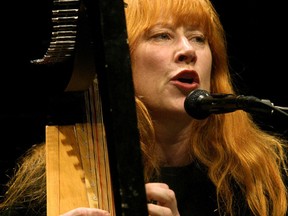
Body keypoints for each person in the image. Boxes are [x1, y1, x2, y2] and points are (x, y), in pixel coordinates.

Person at [1, 0, 288, 215]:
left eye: (199, 38)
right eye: (162, 35)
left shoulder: (263, 176)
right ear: (115, 59)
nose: (188, 50)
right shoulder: (45, 183)